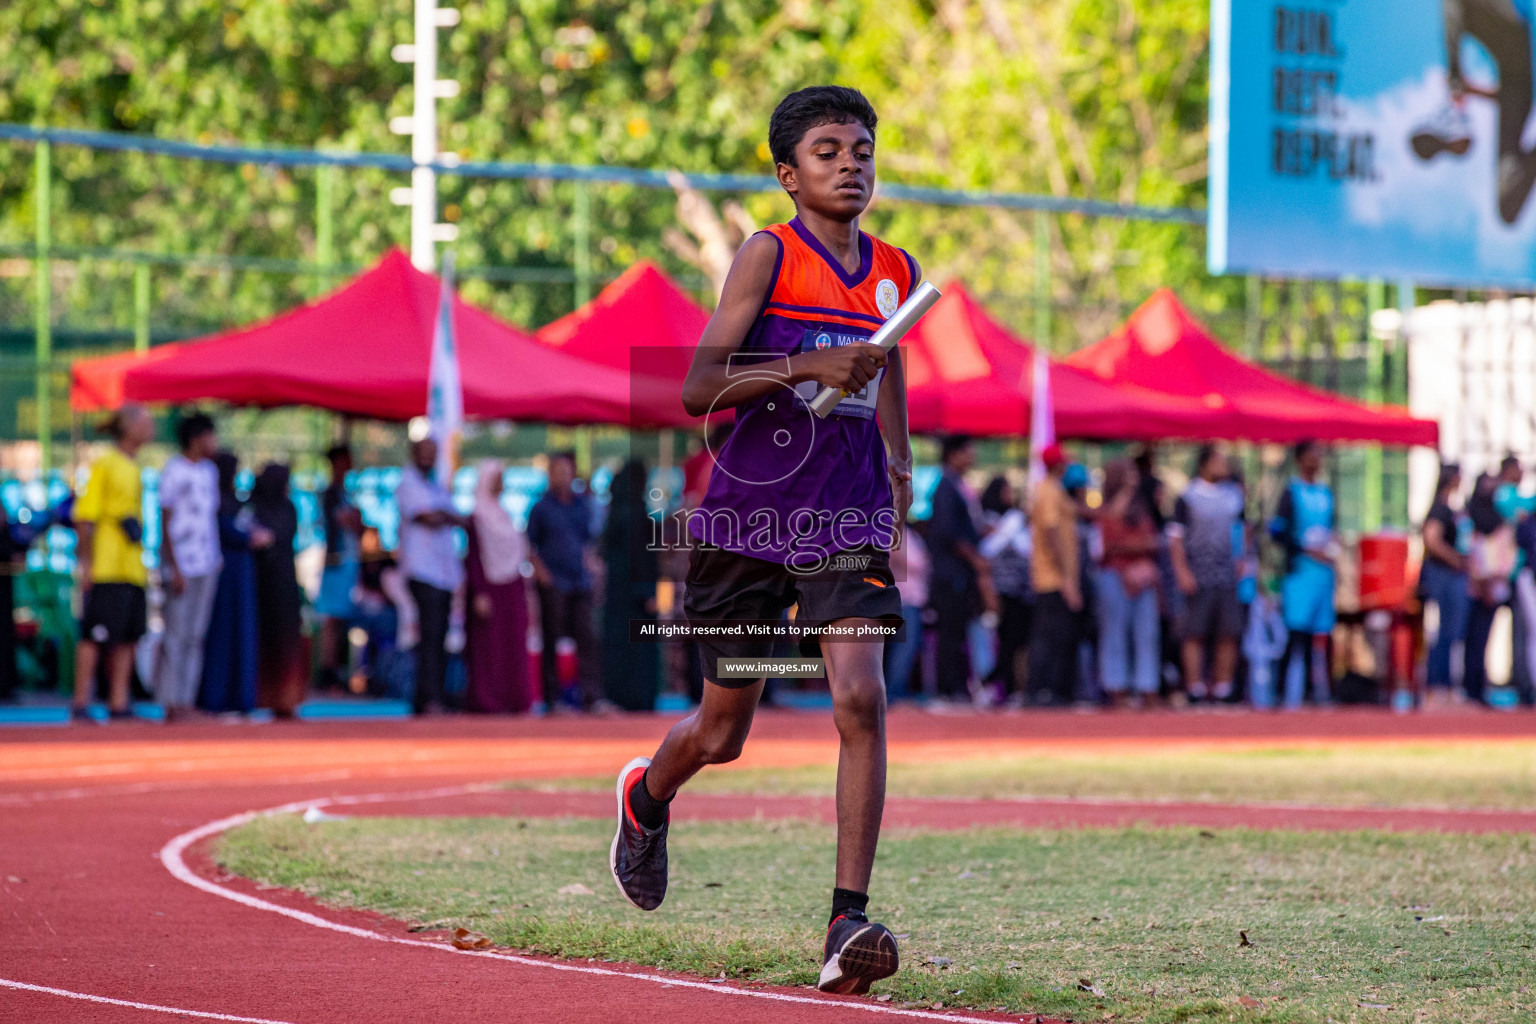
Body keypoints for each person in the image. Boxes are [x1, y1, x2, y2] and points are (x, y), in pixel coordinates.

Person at [610, 86, 915, 995]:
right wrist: (804, 365)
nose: (850, 162)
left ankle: (845, 919)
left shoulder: (896, 266)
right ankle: (646, 798)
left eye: (862, 147)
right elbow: (697, 387)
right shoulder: (766, 256)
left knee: (860, 698)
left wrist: (899, 471)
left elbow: (887, 362)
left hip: (847, 516)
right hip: (750, 518)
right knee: (724, 727)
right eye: (828, 151)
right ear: (789, 175)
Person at [1414, 0, 1536, 224]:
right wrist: (1473, 91)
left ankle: (1453, 100)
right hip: (1518, 83)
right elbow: (1511, 97)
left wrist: (1458, 81)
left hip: (1515, 26)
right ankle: (1453, 110)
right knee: (1507, 206)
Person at [71, 404, 154, 723]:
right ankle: (80, 701)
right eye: (146, 422)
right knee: (95, 634)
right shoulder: (104, 463)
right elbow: (84, 517)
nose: (151, 429)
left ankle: (119, 702)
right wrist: (87, 565)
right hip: (107, 566)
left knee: (129, 636)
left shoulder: (134, 466)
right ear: (129, 426)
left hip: (132, 567)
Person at [152, 412, 222, 721]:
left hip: (207, 562)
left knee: (196, 636)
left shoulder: (209, 472)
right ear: (197, 439)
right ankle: (169, 701)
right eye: (210, 436)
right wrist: (174, 567)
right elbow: (164, 522)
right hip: (182, 565)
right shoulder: (174, 471)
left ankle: (186, 699)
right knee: (176, 634)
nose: (214, 443)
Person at [527, 451, 605, 712]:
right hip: (553, 582)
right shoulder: (540, 508)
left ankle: (591, 697)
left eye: (566, 470)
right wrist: (541, 573)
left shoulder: (581, 506)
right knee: (551, 639)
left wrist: (590, 568)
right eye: (556, 471)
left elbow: (587, 542)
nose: (562, 475)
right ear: (550, 475)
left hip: (579, 581)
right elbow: (529, 545)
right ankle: (553, 699)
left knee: (587, 638)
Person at [1169, 445, 1246, 704]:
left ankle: (1223, 687)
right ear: (1205, 464)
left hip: (1226, 574)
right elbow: (1176, 538)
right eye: (1219, 460)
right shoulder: (1188, 496)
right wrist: (1181, 571)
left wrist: (1243, 560)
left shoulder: (1234, 495)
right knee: (1194, 631)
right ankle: (1195, 687)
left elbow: (1245, 529)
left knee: (1229, 630)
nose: (1224, 465)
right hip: (1197, 571)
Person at [395, 437, 466, 716]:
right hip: (422, 571)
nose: (428, 458)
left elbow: (453, 518)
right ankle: (426, 698)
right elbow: (427, 518)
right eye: (423, 453)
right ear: (413, 454)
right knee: (429, 634)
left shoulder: (436, 486)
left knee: (441, 637)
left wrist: (444, 515)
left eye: (432, 453)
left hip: (444, 573)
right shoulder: (407, 483)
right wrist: (445, 516)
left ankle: (436, 694)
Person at [926, 436, 997, 700]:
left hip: (959, 573)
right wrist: (974, 557)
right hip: (950, 574)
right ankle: (949, 689)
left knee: (958, 632)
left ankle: (957, 687)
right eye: (968, 451)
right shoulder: (946, 487)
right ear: (954, 454)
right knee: (951, 632)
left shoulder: (959, 485)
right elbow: (949, 532)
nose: (972, 456)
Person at [198, 452, 269, 715]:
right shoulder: (212, 502)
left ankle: (240, 698)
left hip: (241, 576)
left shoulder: (239, 503)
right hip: (219, 572)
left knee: (241, 633)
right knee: (218, 634)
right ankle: (214, 697)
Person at [1271, 439, 1339, 709]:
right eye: (1312, 455)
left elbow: (1331, 529)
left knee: (1319, 637)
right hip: (1300, 573)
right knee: (1295, 635)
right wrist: (1306, 550)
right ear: (1300, 459)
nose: (1317, 460)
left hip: (1323, 576)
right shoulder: (1291, 491)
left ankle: (1316, 692)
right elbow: (1277, 532)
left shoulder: (1326, 493)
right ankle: (1280, 694)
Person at [463, 460, 532, 714]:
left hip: (511, 587)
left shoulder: (503, 514)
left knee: (512, 644)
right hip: (489, 589)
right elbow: (474, 558)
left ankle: (514, 699)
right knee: (489, 647)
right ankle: (488, 700)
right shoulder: (477, 516)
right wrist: (479, 591)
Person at [599, 459, 663, 711]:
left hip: (618, 594)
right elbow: (640, 559)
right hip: (636, 597)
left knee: (619, 646)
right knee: (638, 652)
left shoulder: (616, 512)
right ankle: (638, 697)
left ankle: (619, 695)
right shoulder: (636, 514)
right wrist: (647, 592)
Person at [1097, 459, 1161, 708]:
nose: (1134, 476)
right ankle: (1117, 688)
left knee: (1147, 634)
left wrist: (1141, 551)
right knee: (1115, 633)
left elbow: (1153, 539)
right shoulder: (1108, 505)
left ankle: (1147, 688)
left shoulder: (1141, 504)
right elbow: (1108, 541)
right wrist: (1138, 547)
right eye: (1129, 472)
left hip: (1142, 577)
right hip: (1114, 575)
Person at [1026, 444, 1083, 706]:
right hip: (1052, 578)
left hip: (1055, 577)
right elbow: (1051, 534)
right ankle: (1042, 691)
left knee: (1056, 636)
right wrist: (1067, 579)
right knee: (1050, 637)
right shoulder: (1048, 491)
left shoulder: (1052, 489)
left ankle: (1048, 691)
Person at [250, 464, 305, 717]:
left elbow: (279, 537)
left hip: (283, 585)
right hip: (261, 586)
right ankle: (260, 697)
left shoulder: (287, 507)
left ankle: (287, 699)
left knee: (286, 643)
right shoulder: (255, 507)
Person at [978, 476, 1031, 704]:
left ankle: (1007, 687)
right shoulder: (990, 519)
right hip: (1001, 591)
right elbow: (987, 552)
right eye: (1006, 490)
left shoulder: (1015, 521)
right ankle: (993, 683)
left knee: (1015, 642)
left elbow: (1025, 550)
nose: (1010, 495)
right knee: (1004, 642)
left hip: (1020, 592)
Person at [1464, 475, 1515, 706]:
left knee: (1483, 638)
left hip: (1493, 587)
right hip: (1474, 586)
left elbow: (1506, 556)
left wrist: (1495, 579)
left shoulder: (1499, 520)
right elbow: (1468, 551)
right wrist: (1480, 579)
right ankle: (1469, 687)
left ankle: (1478, 686)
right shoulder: (1471, 519)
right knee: (1469, 638)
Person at [1421, 463, 1470, 702]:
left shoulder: (1452, 508)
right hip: (1443, 575)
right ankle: (1436, 685)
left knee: (1453, 631)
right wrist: (1455, 560)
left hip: (1452, 575)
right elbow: (1431, 540)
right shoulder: (1439, 508)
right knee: (1444, 631)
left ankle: (1446, 685)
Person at [315, 445, 362, 691]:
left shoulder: (344, 492)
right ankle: (328, 671)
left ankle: (335, 669)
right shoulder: (332, 493)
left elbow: (357, 523)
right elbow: (349, 521)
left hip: (345, 561)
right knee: (331, 619)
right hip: (336, 561)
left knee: (339, 617)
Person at [884, 522, 929, 700]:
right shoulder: (890, 531)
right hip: (903, 599)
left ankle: (896, 691)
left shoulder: (909, 533)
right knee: (903, 649)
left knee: (906, 649)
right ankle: (894, 692)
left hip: (913, 600)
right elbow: (916, 564)